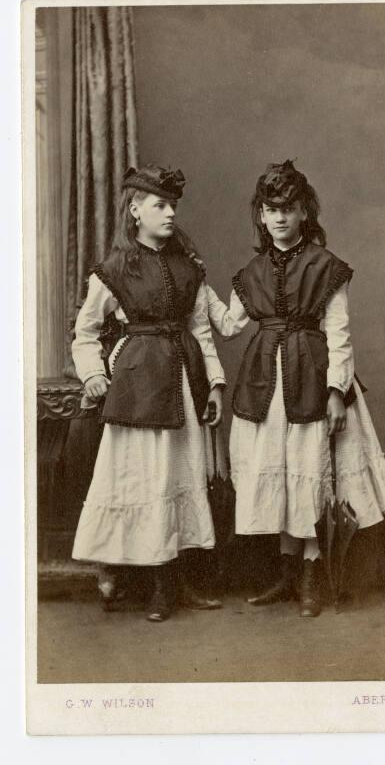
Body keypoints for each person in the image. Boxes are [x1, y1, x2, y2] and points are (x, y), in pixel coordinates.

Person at [206, 159, 385, 618]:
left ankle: (313, 572)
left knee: (308, 468)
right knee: (277, 466)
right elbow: (231, 325)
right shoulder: (251, 271)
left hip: (313, 377)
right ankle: (287, 572)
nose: (279, 217)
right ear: (260, 215)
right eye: (270, 209)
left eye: (289, 208)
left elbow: (340, 333)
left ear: (303, 214)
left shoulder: (326, 266)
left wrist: (337, 391)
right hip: (266, 382)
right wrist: (199, 286)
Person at [71, 164, 225, 622]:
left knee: (180, 474)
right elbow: (85, 332)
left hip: (183, 378)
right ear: (135, 210)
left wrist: (214, 385)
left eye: (173, 205)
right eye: (160, 205)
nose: (170, 213)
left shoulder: (187, 269)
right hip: (137, 384)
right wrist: (93, 375)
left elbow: (202, 331)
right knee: (146, 477)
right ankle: (153, 583)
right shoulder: (113, 270)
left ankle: (178, 581)